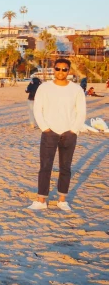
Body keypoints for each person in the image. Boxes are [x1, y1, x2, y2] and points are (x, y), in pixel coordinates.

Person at [27, 58, 86, 212]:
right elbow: (37, 109)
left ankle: (62, 199)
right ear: (53, 69)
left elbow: (81, 112)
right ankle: (41, 200)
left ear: (69, 71)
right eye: (58, 69)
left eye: (64, 69)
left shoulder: (76, 90)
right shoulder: (44, 88)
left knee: (65, 168)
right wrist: (45, 128)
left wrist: (73, 130)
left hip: (69, 133)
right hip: (49, 133)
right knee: (45, 167)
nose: (61, 72)